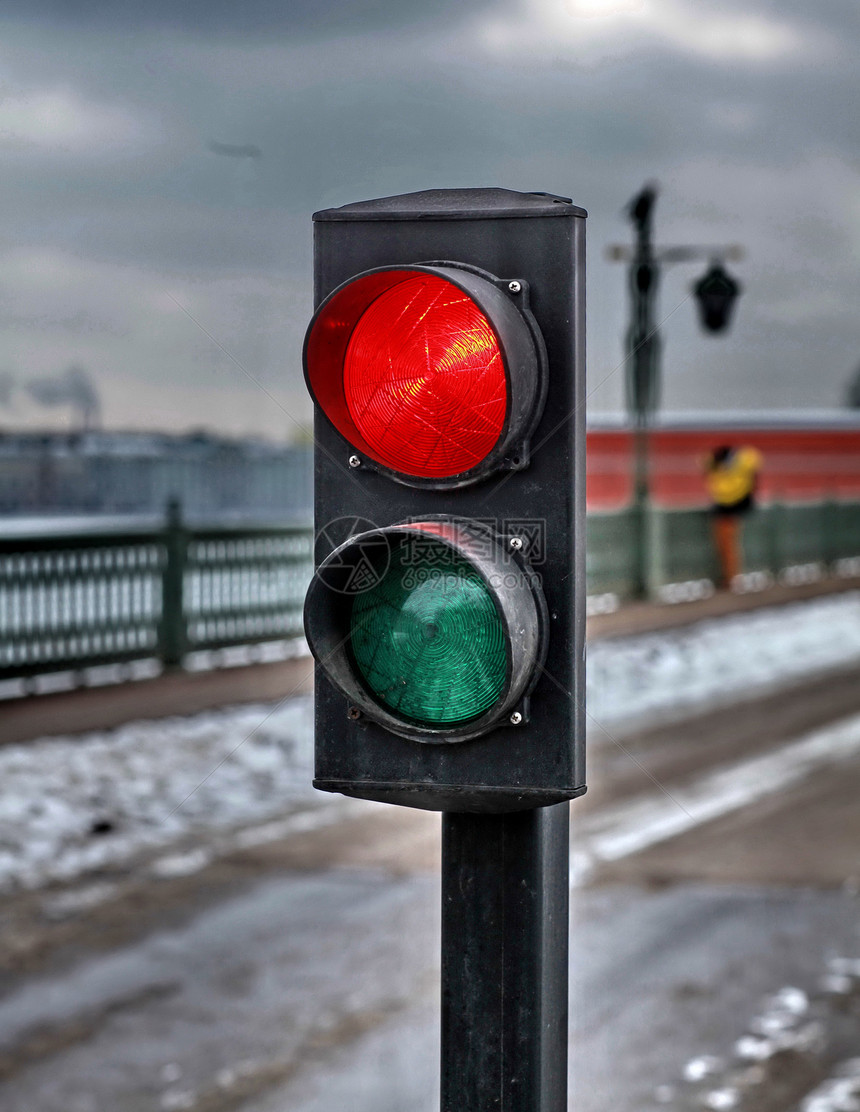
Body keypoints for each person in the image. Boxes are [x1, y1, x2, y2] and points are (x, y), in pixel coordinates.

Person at [703, 444, 762, 588]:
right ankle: (731, 577)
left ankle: (730, 578)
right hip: (730, 507)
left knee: (727, 545)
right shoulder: (744, 462)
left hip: (729, 508)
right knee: (728, 545)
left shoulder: (730, 466)